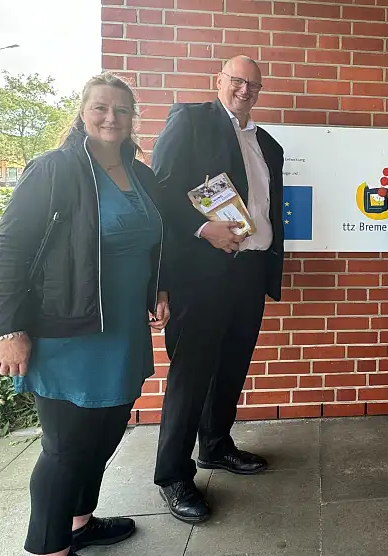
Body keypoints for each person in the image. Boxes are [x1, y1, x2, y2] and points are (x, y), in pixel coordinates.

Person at [0, 72, 170, 556]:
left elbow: (150, 243)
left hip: (121, 332)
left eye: (121, 109)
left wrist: (159, 289)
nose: (110, 117)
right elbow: (10, 249)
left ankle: (78, 522)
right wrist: (12, 328)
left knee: (105, 433)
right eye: (99, 107)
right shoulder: (55, 169)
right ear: (82, 111)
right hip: (69, 333)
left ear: (133, 116)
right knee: (66, 447)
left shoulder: (139, 174)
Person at [151, 55, 284, 523]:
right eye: (236, 81)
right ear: (220, 82)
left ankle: (215, 445)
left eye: (253, 85)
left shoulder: (267, 143)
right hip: (201, 273)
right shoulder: (190, 120)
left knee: (232, 366)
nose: (244, 90)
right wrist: (204, 230)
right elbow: (161, 190)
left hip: (249, 271)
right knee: (191, 375)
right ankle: (172, 475)